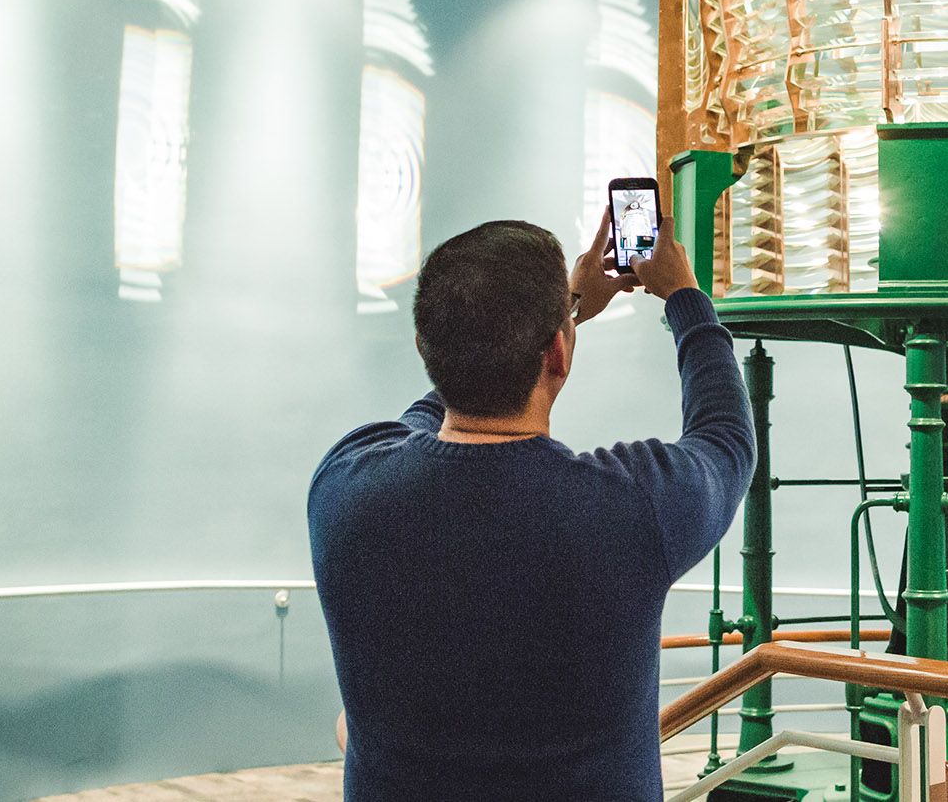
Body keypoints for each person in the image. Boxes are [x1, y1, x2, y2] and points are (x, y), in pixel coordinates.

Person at [308, 210, 754, 800]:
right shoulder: (629, 509)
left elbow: (429, 414)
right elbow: (725, 437)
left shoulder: (342, 488)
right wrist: (685, 298)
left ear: (425, 349)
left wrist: (560, 312)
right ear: (559, 356)